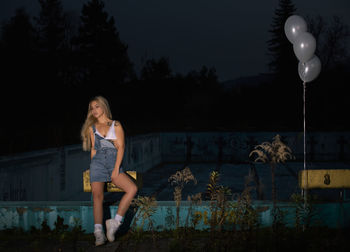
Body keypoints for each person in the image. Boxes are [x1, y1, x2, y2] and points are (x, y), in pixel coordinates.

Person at [80, 96, 137, 246]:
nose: (94, 110)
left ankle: (115, 223)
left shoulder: (115, 125)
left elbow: (121, 147)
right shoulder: (92, 128)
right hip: (97, 163)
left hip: (113, 163)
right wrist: (92, 166)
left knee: (132, 189)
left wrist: (116, 168)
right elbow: (93, 149)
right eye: (92, 108)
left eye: (97, 106)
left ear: (104, 107)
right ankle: (98, 233)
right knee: (97, 197)